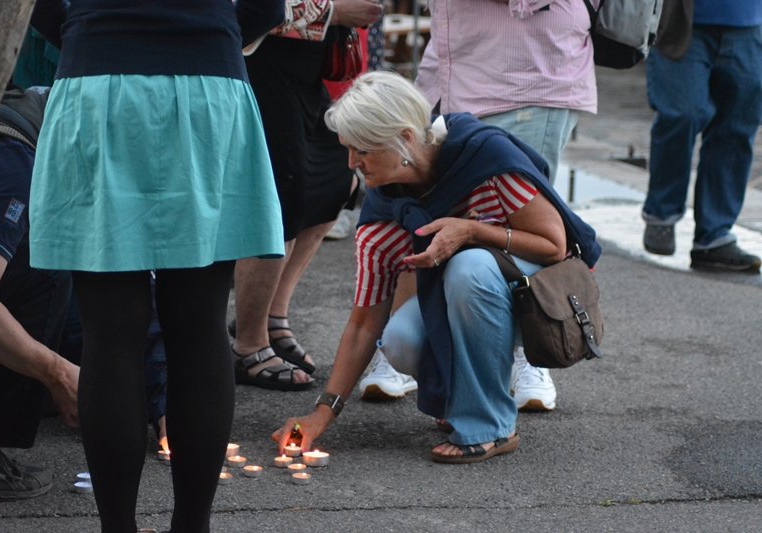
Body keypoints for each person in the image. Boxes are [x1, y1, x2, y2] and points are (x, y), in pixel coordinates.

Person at [28, 2, 286, 532]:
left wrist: (96, 29)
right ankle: (192, 526)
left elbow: (38, 7)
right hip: (207, 81)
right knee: (198, 324)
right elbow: (268, 6)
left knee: (110, 332)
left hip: (98, 79)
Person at [272, 71, 600, 463]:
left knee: (470, 268)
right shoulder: (381, 223)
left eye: (362, 149)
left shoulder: (484, 160)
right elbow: (363, 327)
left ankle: (491, 427)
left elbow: (554, 246)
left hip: (537, 301)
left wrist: (472, 231)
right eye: (347, 149)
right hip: (466, 300)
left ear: (405, 138)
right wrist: (321, 414)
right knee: (399, 339)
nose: (352, 163)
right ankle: (465, 398)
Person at [384, 0, 597, 412]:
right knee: (423, 218)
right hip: (454, 72)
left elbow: (549, 243)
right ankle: (405, 339)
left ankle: (532, 351)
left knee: (503, 244)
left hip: (526, 74)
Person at [230, 0, 382, 391]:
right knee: (281, 197)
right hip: (262, 64)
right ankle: (249, 342)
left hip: (308, 66)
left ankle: (273, 313)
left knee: (334, 179)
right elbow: (237, 8)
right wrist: (332, 11)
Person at [0, 88, 79, 501]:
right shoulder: (12, 154)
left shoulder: (31, 120)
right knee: (41, 268)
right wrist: (58, 373)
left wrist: (155, 394)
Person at [641, 0, 762, 273]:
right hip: (680, 19)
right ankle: (662, 212)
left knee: (737, 126)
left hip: (749, 21)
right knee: (682, 113)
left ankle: (715, 236)